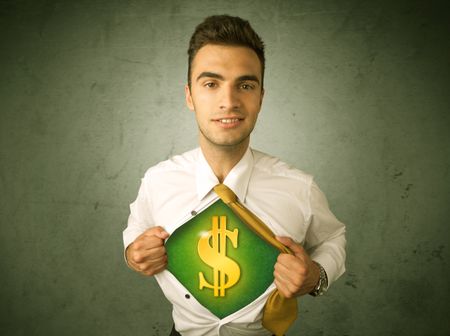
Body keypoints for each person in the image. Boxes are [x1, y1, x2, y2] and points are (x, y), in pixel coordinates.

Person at [123, 15, 346, 336]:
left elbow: (332, 237)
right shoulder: (158, 180)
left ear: (260, 97)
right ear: (189, 96)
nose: (228, 102)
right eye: (211, 84)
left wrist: (317, 276)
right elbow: (136, 229)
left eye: (245, 85)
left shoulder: (299, 187)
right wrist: (133, 253)